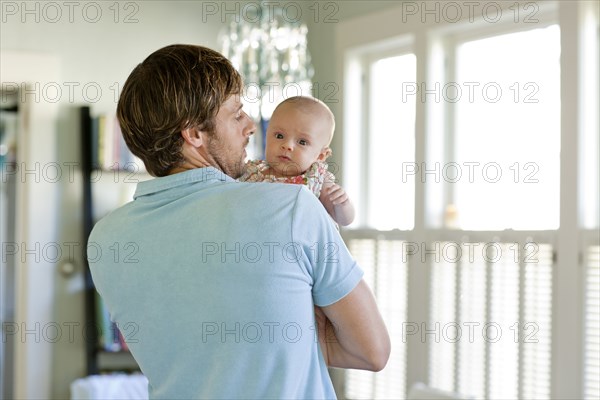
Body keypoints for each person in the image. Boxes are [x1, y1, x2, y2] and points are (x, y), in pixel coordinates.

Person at [88, 44, 390, 400]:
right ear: (194, 134)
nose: (250, 127)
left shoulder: (106, 241)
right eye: (236, 114)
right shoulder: (291, 207)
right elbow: (371, 351)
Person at [240, 96, 355, 226]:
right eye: (279, 136)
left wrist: (342, 205)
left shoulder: (316, 178)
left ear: (321, 156)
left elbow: (344, 220)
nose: (287, 145)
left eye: (302, 142)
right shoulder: (253, 172)